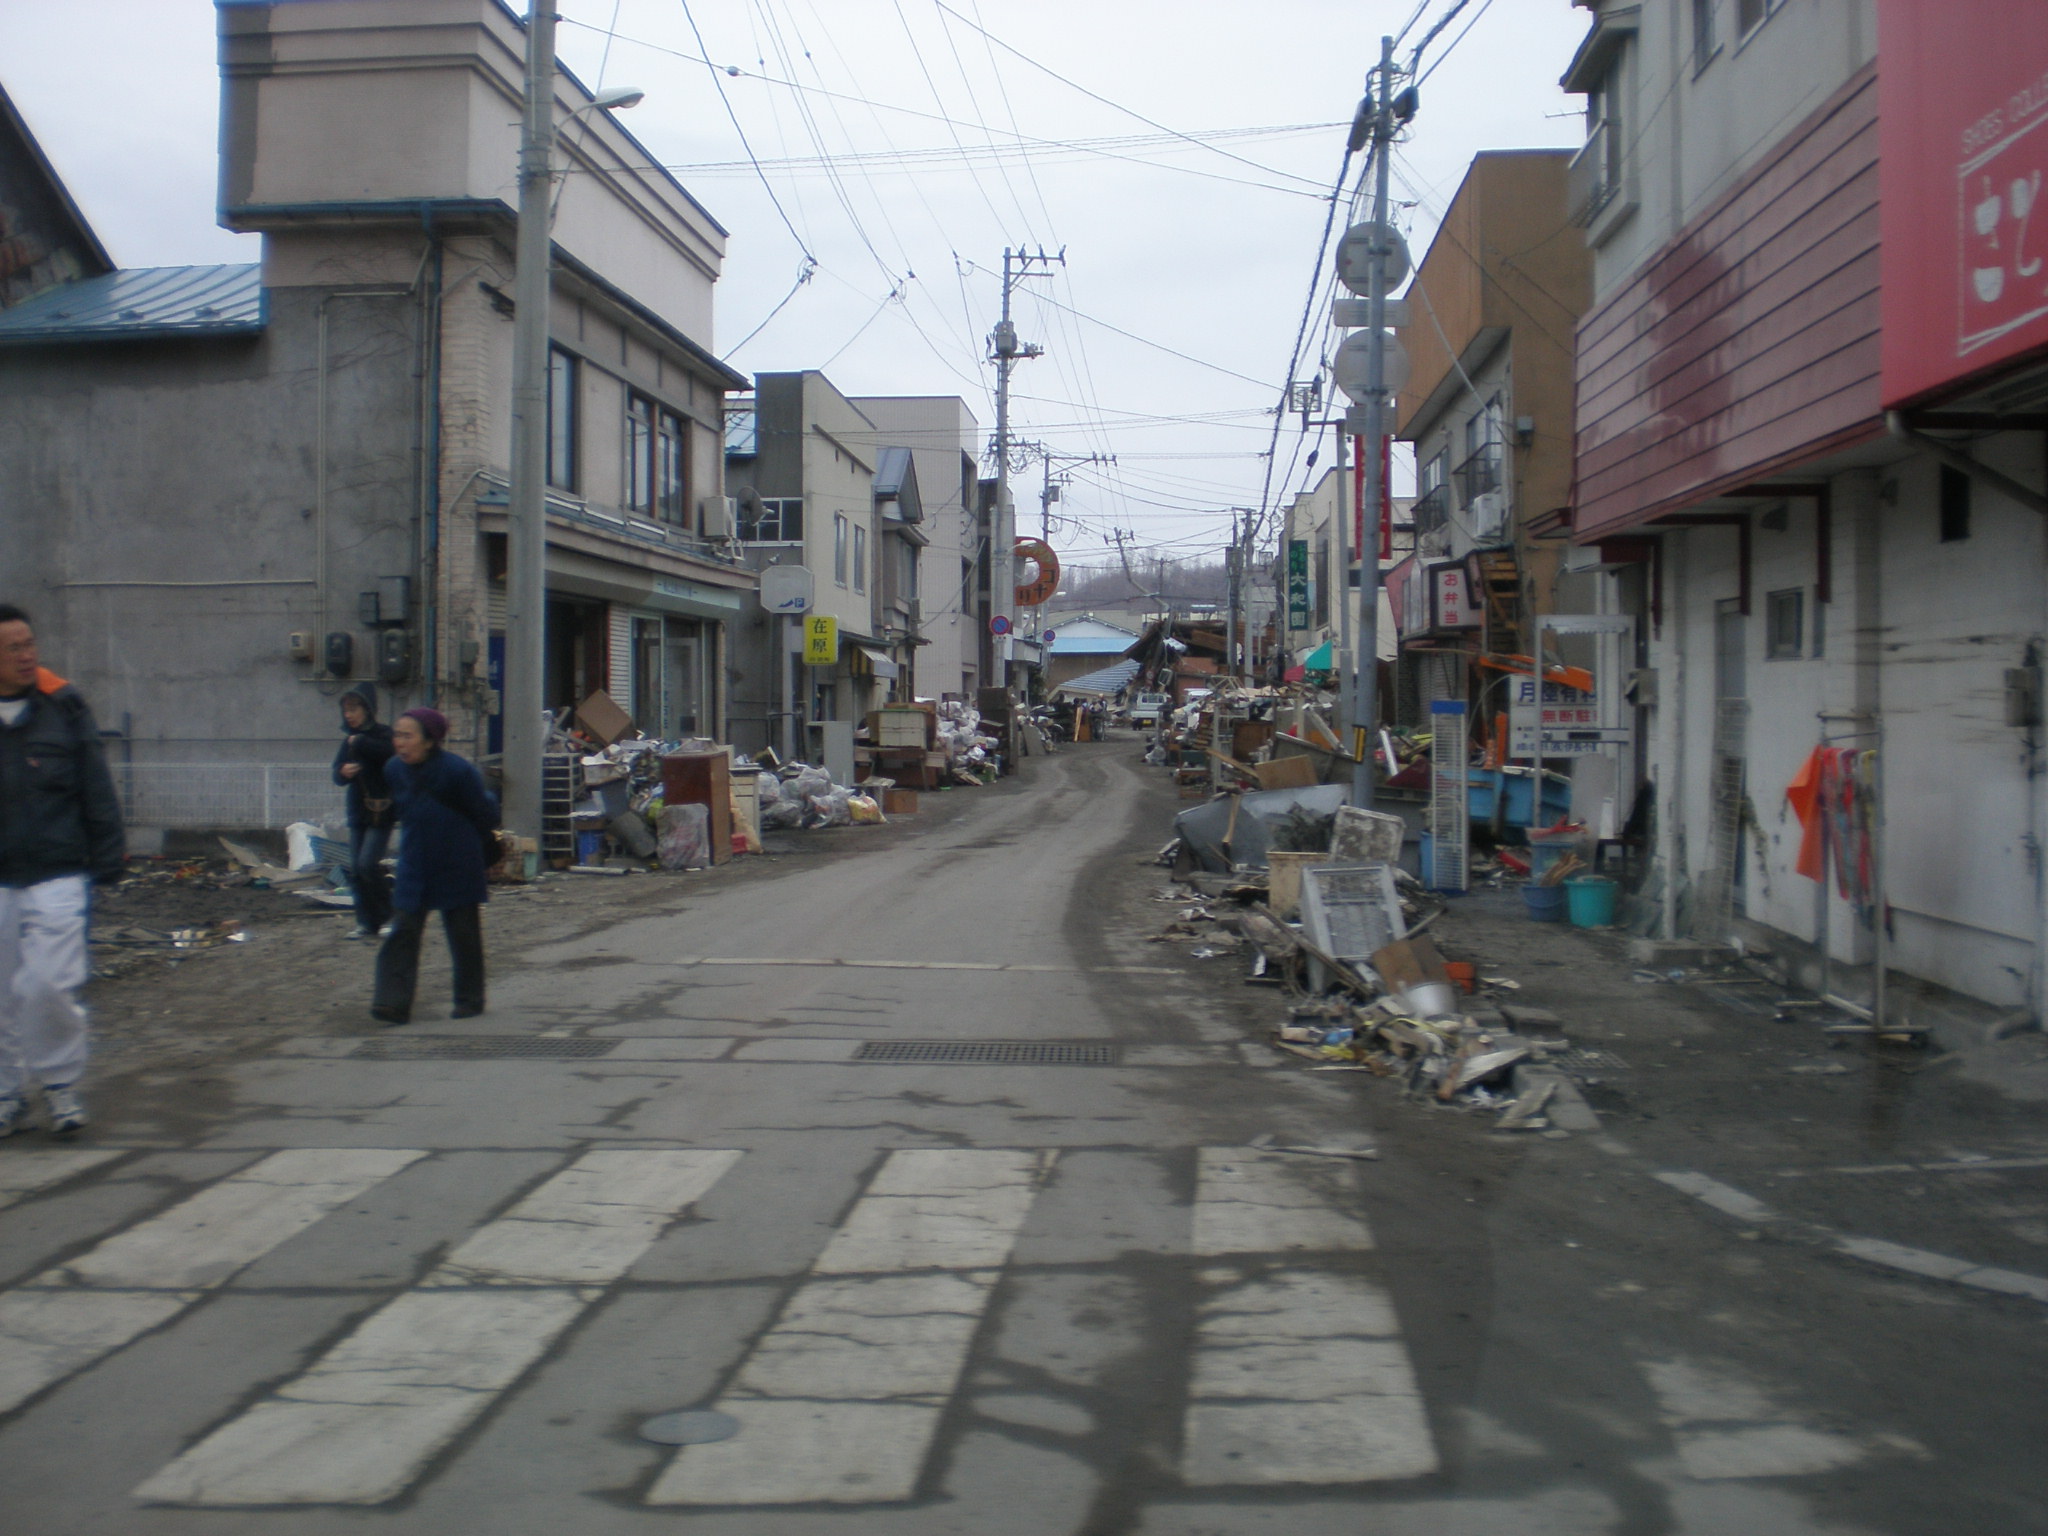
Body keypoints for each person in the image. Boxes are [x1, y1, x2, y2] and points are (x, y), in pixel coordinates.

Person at [0, 604, 124, 1136]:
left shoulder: (64, 707)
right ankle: (6, 1093)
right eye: (13, 648)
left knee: (48, 983)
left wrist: (108, 856)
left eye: (29, 643)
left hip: (57, 870)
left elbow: (96, 785)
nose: (27, 655)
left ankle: (59, 1083)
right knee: (1, 992)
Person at [371, 707, 499, 1025]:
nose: (400, 742)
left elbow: (484, 812)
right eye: (397, 735)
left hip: (457, 859)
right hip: (415, 861)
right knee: (403, 929)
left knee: (463, 932)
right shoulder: (393, 769)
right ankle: (392, 1003)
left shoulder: (458, 771)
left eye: (407, 736)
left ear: (430, 741)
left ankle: (469, 999)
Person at [331, 685, 395, 941]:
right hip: (358, 812)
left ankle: (389, 916)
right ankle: (366, 922)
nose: (349, 715)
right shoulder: (348, 741)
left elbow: (389, 754)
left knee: (368, 864)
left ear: (367, 709)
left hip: (382, 811)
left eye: (353, 709)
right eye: (346, 710)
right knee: (356, 870)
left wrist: (361, 742)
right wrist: (342, 772)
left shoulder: (383, 734)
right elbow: (336, 774)